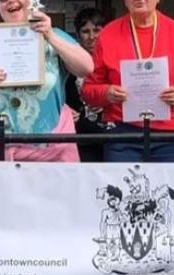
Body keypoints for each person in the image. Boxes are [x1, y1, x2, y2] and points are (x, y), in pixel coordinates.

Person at [81, 0, 174, 163]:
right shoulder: (108, 34)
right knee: (123, 187)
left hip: (169, 132)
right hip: (122, 132)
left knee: (164, 187)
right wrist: (107, 93)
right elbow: (88, 89)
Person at [0, 0, 93, 163]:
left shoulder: (55, 35)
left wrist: (50, 35)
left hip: (51, 152)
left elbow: (86, 67)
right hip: (1, 151)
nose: (11, 1)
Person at [65, 8, 113, 162]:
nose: (92, 37)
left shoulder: (114, 60)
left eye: (97, 30)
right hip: (81, 137)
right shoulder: (69, 63)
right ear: (78, 35)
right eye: (86, 31)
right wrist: (67, 110)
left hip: (111, 133)